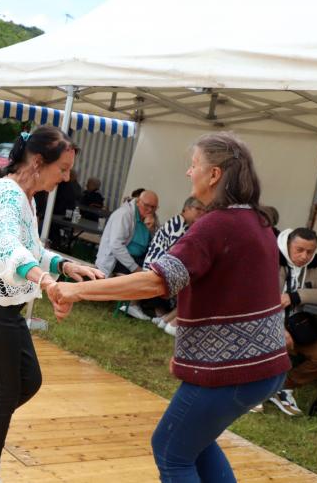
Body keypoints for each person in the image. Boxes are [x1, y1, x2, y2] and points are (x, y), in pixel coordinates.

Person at [50, 132, 290, 483]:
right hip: (263, 367)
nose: (188, 173)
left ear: (215, 175)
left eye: (193, 166)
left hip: (233, 372)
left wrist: (76, 292)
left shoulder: (218, 224)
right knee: (195, 444)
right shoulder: (256, 220)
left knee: (171, 450)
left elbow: (155, 281)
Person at [0, 128, 104, 483]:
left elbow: (32, 249)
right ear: (39, 162)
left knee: (28, 382)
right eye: (63, 168)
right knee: (6, 390)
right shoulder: (9, 195)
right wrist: (45, 280)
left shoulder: (25, 197)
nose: (67, 177)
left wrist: (64, 266)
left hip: (0, 303)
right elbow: (8, 248)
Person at [267, 227, 317, 416]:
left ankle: (282, 387)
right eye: (299, 249)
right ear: (287, 245)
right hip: (267, 324)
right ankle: (253, 389)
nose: (305, 256)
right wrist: (279, 330)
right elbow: (258, 299)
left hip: (301, 326)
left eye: (310, 251)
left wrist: (297, 296)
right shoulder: (271, 257)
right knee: (271, 345)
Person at [143, 197, 206, 335]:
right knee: (195, 288)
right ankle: (171, 324)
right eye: (198, 209)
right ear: (186, 209)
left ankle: (166, 320)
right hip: (157, 269)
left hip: (161, 267)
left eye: (204, 210)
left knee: (195, 285)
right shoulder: (178, 225)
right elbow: (178, 254)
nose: (202, 213)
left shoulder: (184, 224)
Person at [95, 188, 159, 285]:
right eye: (146, 205)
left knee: (156, 272)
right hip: (118, 260)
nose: (150, 210)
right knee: (144, 279)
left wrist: (152, 229)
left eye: (153, 207)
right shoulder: (124, 215)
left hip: (139, 258)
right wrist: (135, 268)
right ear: (138, 202)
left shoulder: (151, 218)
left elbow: (155, 244)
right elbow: (116, 246)